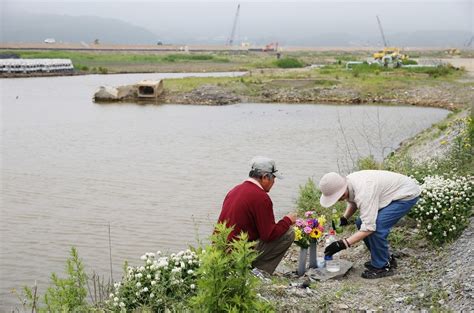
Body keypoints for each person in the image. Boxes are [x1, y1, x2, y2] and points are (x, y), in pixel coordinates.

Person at [319, 170, 420, 279]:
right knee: (360, 222)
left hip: (405, 194)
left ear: (342, 192)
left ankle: (383, 266)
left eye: (338, 198)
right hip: (390, 192)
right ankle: (383, 258)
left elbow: (369, 228)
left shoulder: (364, 190)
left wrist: (343, 244)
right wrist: (344, 218)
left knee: (378, 227)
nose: (338, 201)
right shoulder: (348, 184)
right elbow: (353, 202)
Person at [217, 156, 297, 275]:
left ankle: (247, 271)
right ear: (265, 177)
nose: (274, 182)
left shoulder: (234, 190)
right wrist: (287, 220)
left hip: (220, 253)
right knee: (289, 233)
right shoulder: (261, 197)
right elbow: (268, 235)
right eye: (273, 178)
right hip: (237, 255)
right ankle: (259, 273)